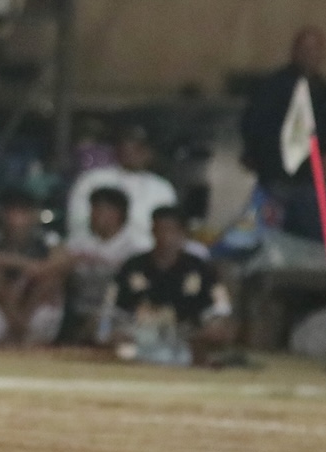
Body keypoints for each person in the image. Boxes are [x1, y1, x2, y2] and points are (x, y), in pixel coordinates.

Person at [110, 205, 236, 367]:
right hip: (141, 334)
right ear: (152, 231)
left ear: (183, 234)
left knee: (217, 333)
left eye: (171, 231)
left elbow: (220, 308)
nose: (165, 237)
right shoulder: (133, 266)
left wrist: (212, 327)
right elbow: (114, 307)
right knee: (117, 341)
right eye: (159, 230)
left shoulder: (200, 268)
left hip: (186, 336)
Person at [0, 189, 71, 345]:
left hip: (33, 313)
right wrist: (22, 263)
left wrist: (29, 276)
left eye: (23, 212)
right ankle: (15, 322)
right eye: (13, 212)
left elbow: (64, 262)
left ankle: (21, 324)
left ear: (33, 215)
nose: (17, 220)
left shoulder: (49, 240)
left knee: (51, 278)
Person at [240, 26, 326, 196]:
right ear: (295, 52)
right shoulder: (275, 87)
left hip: (308, 176)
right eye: (305, 50)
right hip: (278, 173)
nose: (310, 55)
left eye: (315, 50)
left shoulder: (322, 90)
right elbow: (256, 124)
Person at [65, 125, 178, 253]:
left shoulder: (162, 187)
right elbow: (77, 224)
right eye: (128, 144)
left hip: (145, 255)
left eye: (139, 147)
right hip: (92, 252)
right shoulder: (92, 179)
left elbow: (168, 228)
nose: (131, 151)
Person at [66, 187, 140, 339]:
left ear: (118, 214)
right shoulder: (80, 242)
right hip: (79, 308)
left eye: (102, 210)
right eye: (94, 209)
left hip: (118, 311)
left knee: (103, 325)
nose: (95, 215)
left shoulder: (134, 246)